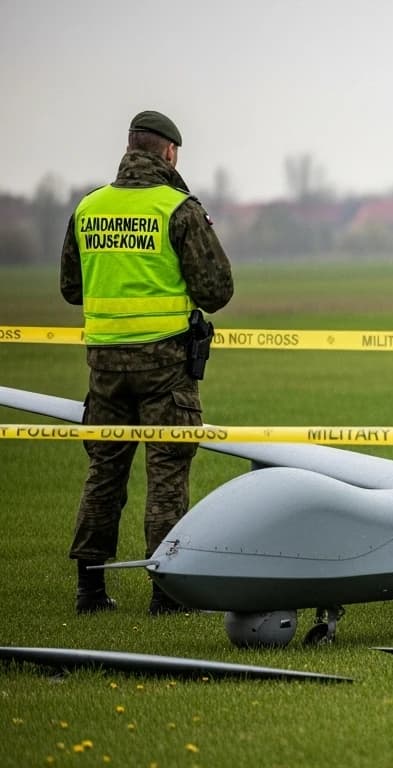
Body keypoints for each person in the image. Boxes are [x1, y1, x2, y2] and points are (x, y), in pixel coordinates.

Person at [60, 110, 234, 615]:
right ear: (169, 152)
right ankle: (167, 594)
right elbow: (216, 291)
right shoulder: (177, 208)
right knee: (167, 478)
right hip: (165, 369)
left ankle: (90, 591)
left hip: (104, 370)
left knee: (103, 475)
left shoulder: (89, 207)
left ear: (129, 147)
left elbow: (71, 288)